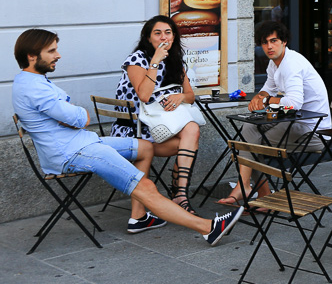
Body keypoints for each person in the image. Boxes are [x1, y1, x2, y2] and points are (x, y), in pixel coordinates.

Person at [11, 29, 242, 243]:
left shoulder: (29, 81)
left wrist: (71, 115)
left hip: (81, 143)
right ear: (32, 56)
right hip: (74, 152)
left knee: (145, 147)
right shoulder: (35, 88)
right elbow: (81, 119)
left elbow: (72, 118)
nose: (58, 55)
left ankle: (138, 217)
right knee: (146, 187)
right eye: (51, 51)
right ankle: (207, 228)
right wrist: (77, 114)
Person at [218, 20, 331, 205]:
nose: (269, 46)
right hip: (294, 121)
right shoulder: (275, 63)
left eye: (274, 41)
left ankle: (246, 188)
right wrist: (259, 97)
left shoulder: (291, 65)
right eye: (264, 42)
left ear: (284, 41)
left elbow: (293, 103)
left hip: (313, 130)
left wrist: (265, 100)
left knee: (251, 145)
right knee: (248, 129)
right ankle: (258, 193)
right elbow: (267, 89)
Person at [111, 16, 201, 213]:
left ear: (174, 36)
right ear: (148, 37)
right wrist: (155, 62)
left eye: (168, 32)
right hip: (134, 131)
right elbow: (143, 95)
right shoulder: (137, 60)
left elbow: (191, 96)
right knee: (189, 143)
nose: (163, 37)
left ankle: (180, 194)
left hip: (161, 127)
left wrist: (180, 97)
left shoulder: (176, 61)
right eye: (157, 33)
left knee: (192, 131)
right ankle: (179, 194)